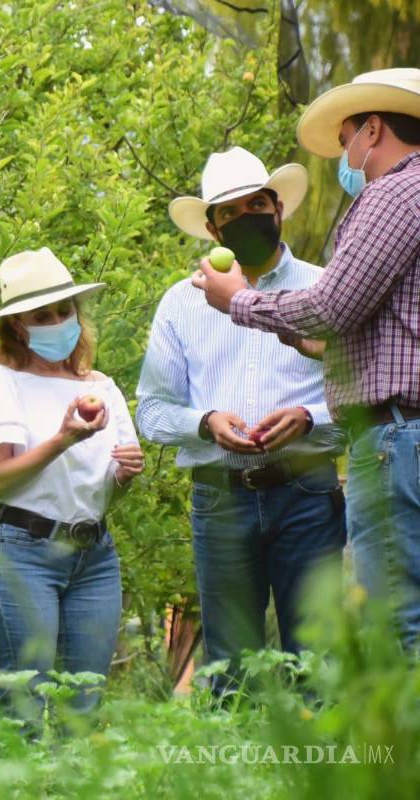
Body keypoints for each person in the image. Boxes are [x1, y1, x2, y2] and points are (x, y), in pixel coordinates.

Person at [192, 68, 420, 654]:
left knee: (400, 619)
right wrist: (312, 343)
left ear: (373, 129)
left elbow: (333, 306)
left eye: (346, 138)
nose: (345, 154)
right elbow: (387, 325)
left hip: (397, 438)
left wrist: (238, 301)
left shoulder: (394, 193)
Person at [137, 147, 346, 694]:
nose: (247, 216)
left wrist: (310, 416)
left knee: (318, 657)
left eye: (257, 203)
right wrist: (206, 422)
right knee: (230, 668)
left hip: (309, 492)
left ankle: (316, 776)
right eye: (230, 211)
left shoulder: (327, 289)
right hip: (220, 497)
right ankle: (232, 773)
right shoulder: (181, 304)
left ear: (278, 207)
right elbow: (152, 412)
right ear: (211, 227)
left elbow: (366, 399)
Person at [0, 247, 143, 722]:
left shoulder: (101, 387)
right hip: (24, 554)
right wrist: (62, 438)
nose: (60, 321)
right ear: (18, 325)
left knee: (81, 708)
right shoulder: (0, 385)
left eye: (66, 311)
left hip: (95, 556)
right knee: (25, 704)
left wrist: (123, 476)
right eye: (44, 315)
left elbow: (102, 491)